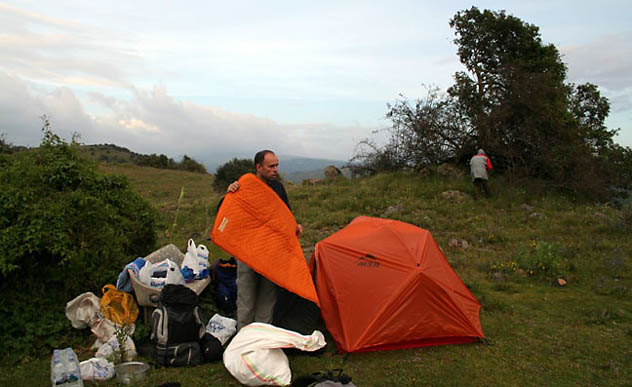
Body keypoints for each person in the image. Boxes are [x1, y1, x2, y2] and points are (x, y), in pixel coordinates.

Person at [224, 150, 303, 330]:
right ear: (258, 167)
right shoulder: (242, 187)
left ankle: (262, 339)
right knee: (246, 297)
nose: (275, 170)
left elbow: (285, 215)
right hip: (247, 251)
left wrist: (294, 226)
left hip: (271, 251)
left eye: (277, 165)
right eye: (271, 166)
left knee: (267, 298)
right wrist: (230, 192)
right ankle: (243, 340)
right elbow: (227, 213)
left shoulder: (278, 187)